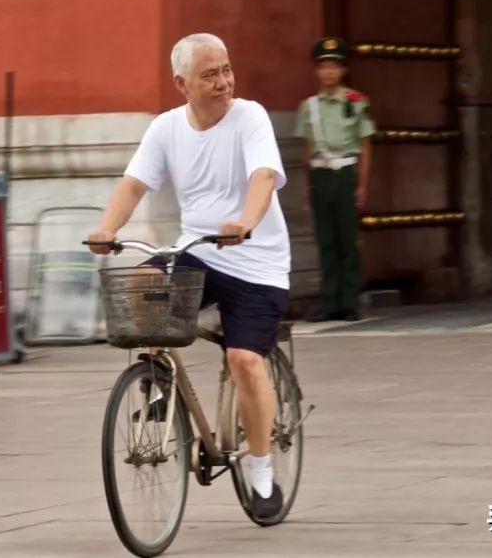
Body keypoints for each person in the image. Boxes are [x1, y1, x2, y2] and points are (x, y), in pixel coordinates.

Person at [87, 32, 290, 519]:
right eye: (209, 75)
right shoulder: (165, 129)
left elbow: (263, 175)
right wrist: (107, 228)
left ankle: (261, 475)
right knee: (140, 280)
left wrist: (246, 220)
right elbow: (135, 182)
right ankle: (157, 383)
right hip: (198, 251)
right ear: (182, 84)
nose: (223, 82)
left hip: (256, 261)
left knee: (243, 359)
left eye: (226, 70)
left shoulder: (251, 117)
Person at [294, 36, 375, 322]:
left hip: (344, 174)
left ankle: (349, 300)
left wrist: (362, 184)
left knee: (347, 240)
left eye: (335, 66)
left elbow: (365, 145)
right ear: (317, 70)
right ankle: (329, 301)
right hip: (320, 174)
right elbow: (306, 150)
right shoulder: (309, 107)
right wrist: (308, 184)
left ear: (343, 70)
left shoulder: (354, 102)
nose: (329, 71)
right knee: (326, 240)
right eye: (324, 66)